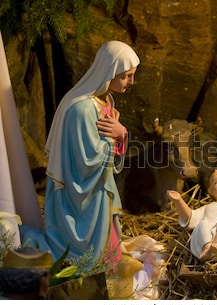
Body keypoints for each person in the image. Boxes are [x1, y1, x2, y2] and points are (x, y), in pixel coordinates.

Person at [20, 40, 140, 270]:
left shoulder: (106, 100)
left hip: (98, 190)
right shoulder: (82, 109)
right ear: (109, 71)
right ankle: (26, 239)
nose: (131, 82)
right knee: (84, 259)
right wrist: (119, 135)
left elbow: (105, 148)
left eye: (132, 75)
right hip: (80, 194)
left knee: (111, 256)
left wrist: (121, 137)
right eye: (126, 76)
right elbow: (86, 160)